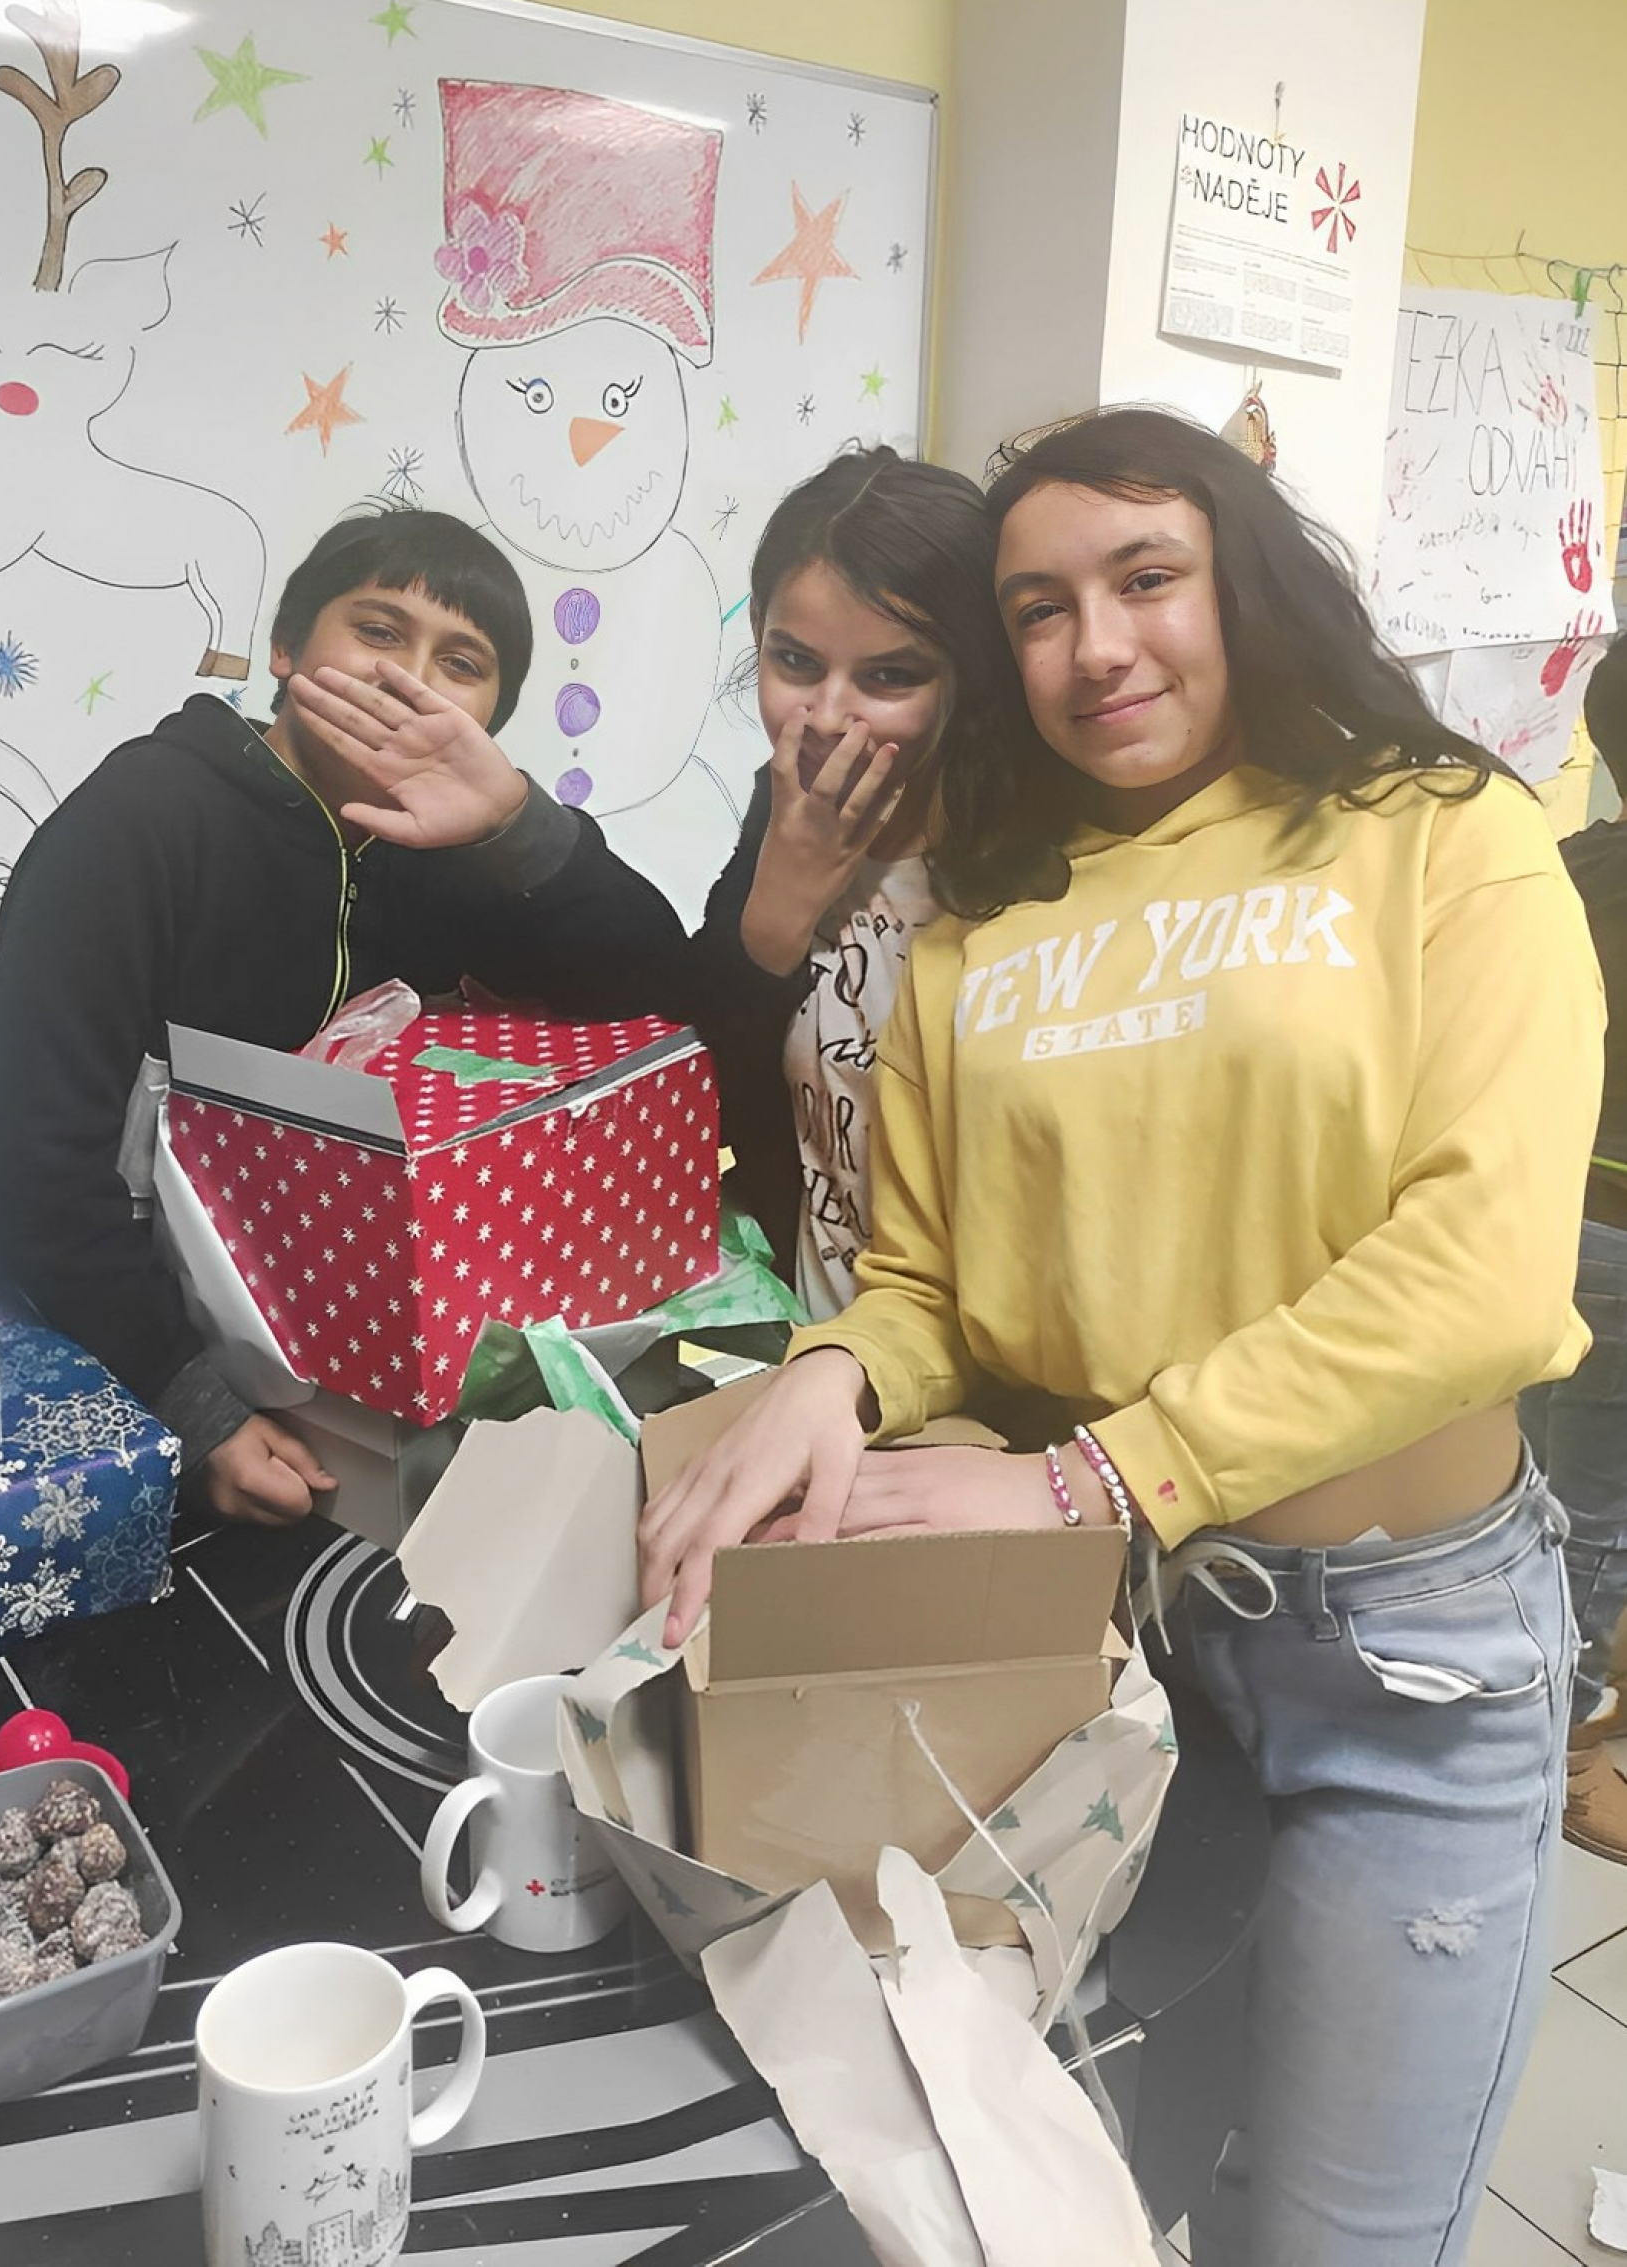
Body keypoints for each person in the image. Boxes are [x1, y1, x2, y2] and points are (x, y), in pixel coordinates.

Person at [640, 407, 1603, 2267]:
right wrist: (830, 1373)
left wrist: (1098, 1471)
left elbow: (1483, 1274)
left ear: (1243, 579)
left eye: (1146, 577)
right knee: (1098, 2180)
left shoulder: (1442, 832)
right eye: (1038, 609)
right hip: (1101, 1637)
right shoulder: (986, 914)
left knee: (1328, 2235)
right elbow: (927, 1282)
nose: (1097, 645)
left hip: (1397, 1659)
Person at [0, 507, 691, 1528]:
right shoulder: (140, 820)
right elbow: (29, 1170)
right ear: (287, 649)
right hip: (83, 1331)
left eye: (460, 662)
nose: (408, 678)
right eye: (378, 631)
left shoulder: (450, 855)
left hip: (299, 1343)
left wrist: (517, 822)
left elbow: (651, 994)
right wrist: (194, 1405)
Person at [691, 447, 1022, 1311]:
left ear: (970, 676)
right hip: (809, 1336)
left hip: (971, 1366)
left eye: (890, 676)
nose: (829, 716)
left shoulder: (1034, 857)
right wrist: (773, 918)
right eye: (796, 662)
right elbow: (705, 1091)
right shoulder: (781, 807)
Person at [1523, 632, 1627, 1862]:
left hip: (1558, 1216)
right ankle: (1565, 1749)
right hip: (1611, 1236)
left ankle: (1550, 1696)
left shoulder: (1561, 870)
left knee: (1560, 1477)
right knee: (1596, 1502)